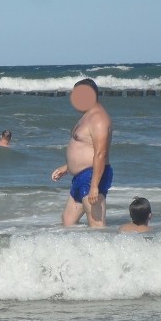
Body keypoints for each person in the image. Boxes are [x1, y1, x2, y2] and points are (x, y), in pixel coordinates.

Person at [51, 78, 113, 227]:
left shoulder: (98, 119)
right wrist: (67, 167)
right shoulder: (87, 115)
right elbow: (85, 146)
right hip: (81, 176)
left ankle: (106, 250)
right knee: (68, 221)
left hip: (92, 176)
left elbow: (100, 153)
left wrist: (94, 186)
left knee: (97, 225)